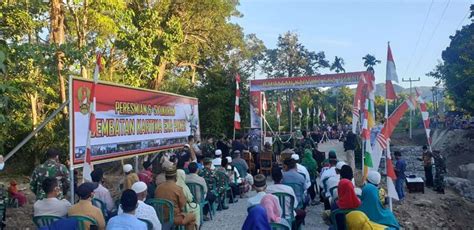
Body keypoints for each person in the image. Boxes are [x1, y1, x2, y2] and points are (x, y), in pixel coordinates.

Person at [155, 165, 196, 230]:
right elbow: (183, 206)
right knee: (192, 216)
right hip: (174, 218)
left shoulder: (158, 188)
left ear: (166, 176)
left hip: (160, 217)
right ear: (175, 177)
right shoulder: (178, 189)